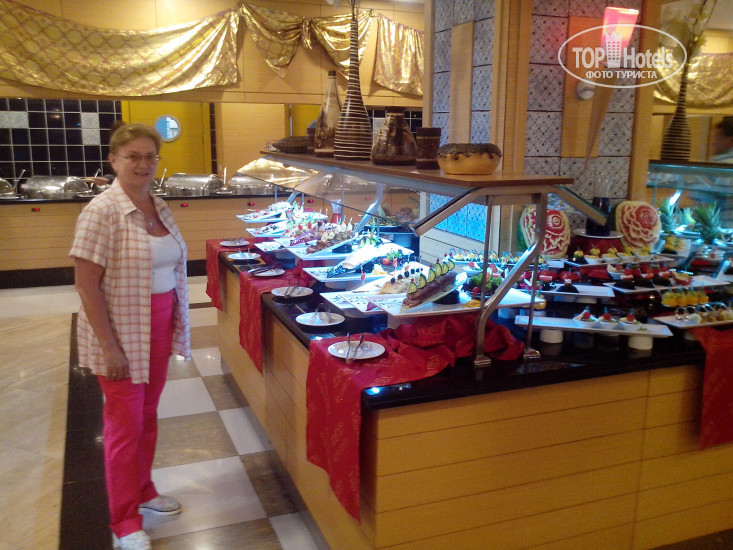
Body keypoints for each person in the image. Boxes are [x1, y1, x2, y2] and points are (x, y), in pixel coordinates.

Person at [70, 123, 191, 550]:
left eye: (149, 157)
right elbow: (86, 284)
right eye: (133, 156)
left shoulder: (158, 205)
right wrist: (109, 348)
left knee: (147, 415)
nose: (143, 164)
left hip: (157, 326)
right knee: (123, 426)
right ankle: (124, 521)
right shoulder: (101, 211)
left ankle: (143, 490)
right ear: (114, 161)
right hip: (121, 333)